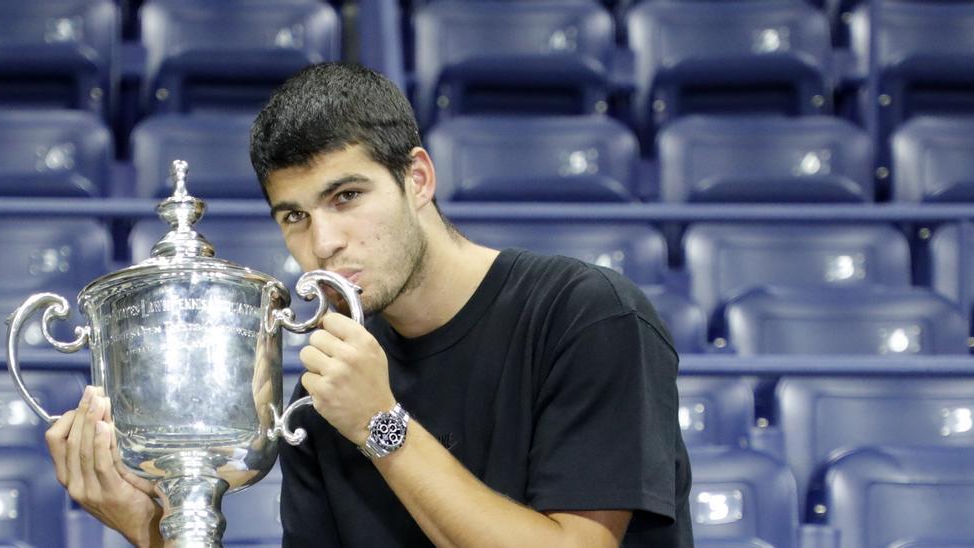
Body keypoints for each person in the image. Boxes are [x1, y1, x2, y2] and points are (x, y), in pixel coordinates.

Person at [45, 62, 693, 547]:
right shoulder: (330, 386)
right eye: (294, 216)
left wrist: (383, 427)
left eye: (346, 196)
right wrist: (153, 531)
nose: (322, 242)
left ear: (417, 179)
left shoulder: (588, 315)